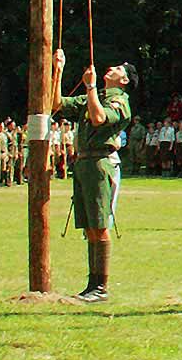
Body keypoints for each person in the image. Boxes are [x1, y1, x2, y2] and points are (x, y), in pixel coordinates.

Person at [47, 56, 135, 300]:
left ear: (124, 80)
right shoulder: (94, 95)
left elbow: (99, 118)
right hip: (84, 161)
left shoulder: (120, 101)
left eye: (118, 69)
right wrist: (59, 70)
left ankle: (101, 287)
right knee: (89, 227)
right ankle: (91, 284)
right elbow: (56, 103)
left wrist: (91, 87)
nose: (111, 68)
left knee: (99, 224)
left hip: (101, 162)